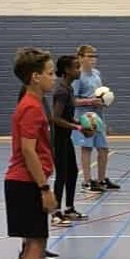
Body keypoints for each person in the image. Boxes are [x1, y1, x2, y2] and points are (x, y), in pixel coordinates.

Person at [7, 47, 69, 259]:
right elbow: (28, 151)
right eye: (50, 73)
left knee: (37, 244)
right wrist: (44, 188)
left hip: (27, 182)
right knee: (33, 247)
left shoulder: (32, 103)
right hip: (26, 184)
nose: (53, 78)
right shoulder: (31, 108)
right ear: (35, 77)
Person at [72, 44, 120, 191]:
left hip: (98, 117)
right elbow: (72, 100)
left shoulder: (96, 74)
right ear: (80, 58)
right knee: (87, 148)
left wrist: (104, 101)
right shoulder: (77, 77)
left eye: (95, 56)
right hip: (84, 117)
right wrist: (90, 101)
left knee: (103, 148)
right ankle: (87, 181)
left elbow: (99, 95)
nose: (93, 59)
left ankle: (101, 179)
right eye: (89, 56)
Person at [49, 54, 88, 226]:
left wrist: (79, 123)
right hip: (58, 139)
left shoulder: (69, 89)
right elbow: (55, 118)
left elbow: (67, 116)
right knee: (62, 175)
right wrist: (77, 128)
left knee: (72, 172)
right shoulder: (61, 91)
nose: (79, 70)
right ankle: (55, 213)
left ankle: (69, 208)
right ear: (66, 70)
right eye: (76, 67)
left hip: (66, 137)